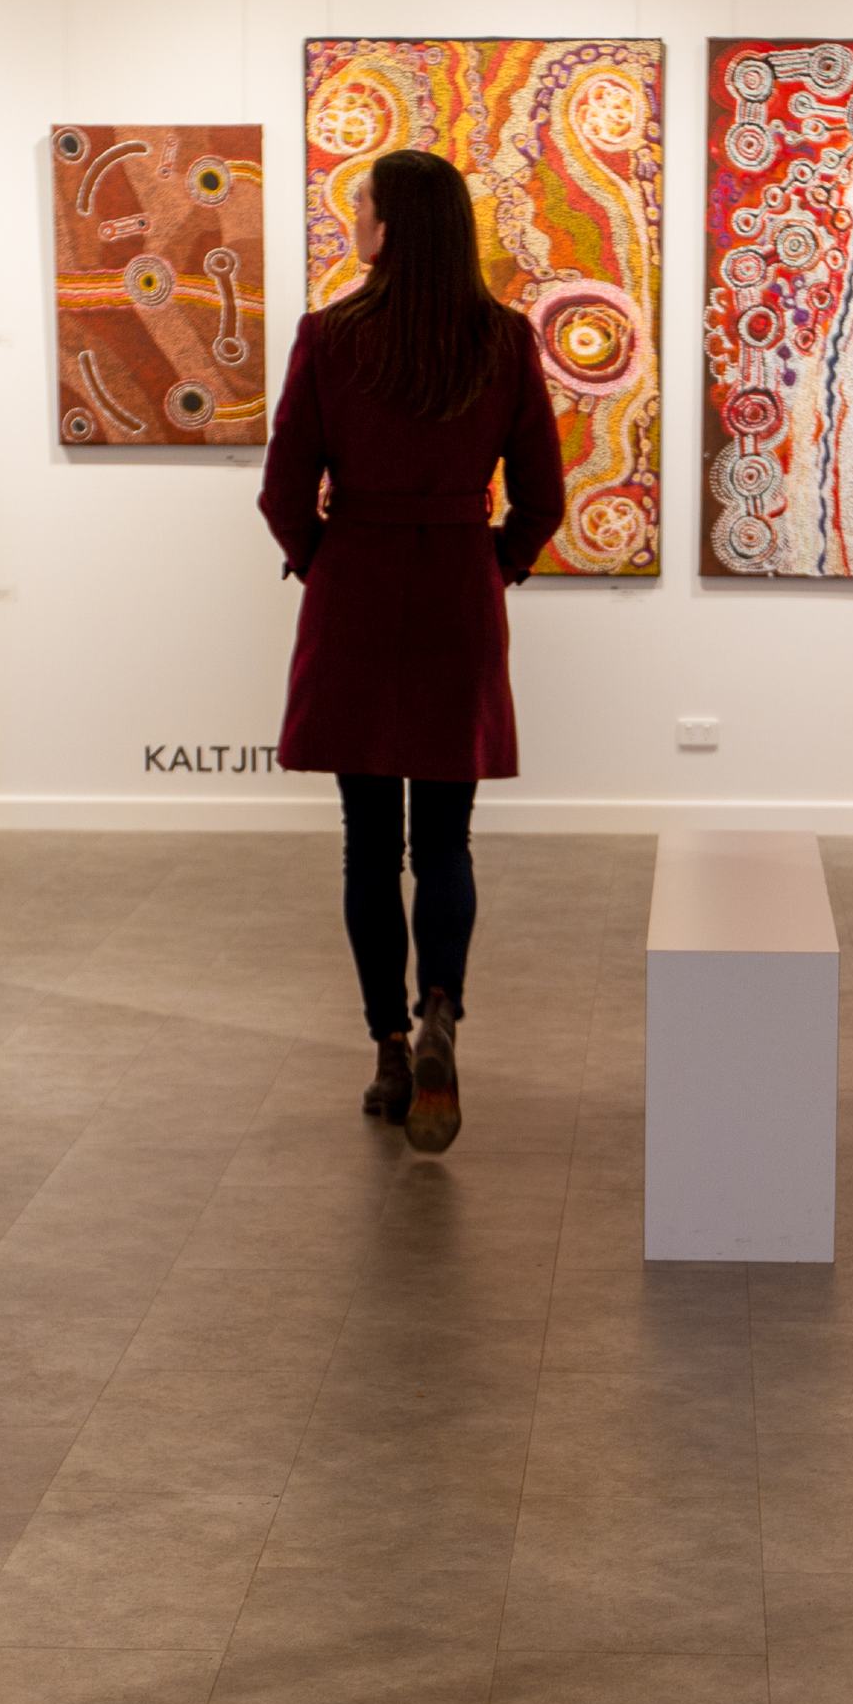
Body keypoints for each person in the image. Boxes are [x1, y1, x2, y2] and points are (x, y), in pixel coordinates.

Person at [256, 146, 566, 1154]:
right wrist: (496, 566)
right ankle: (442, 1007)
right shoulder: (504, 340)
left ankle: (389, 1048)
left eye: (362, 209)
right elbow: (544, 498)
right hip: (455, 598)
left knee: (365, 845)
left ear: (389, 228)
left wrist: (324, 564)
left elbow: (281, 490)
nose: (354, 223)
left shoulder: (330, 337)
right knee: (445, 840)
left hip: (357, 587)